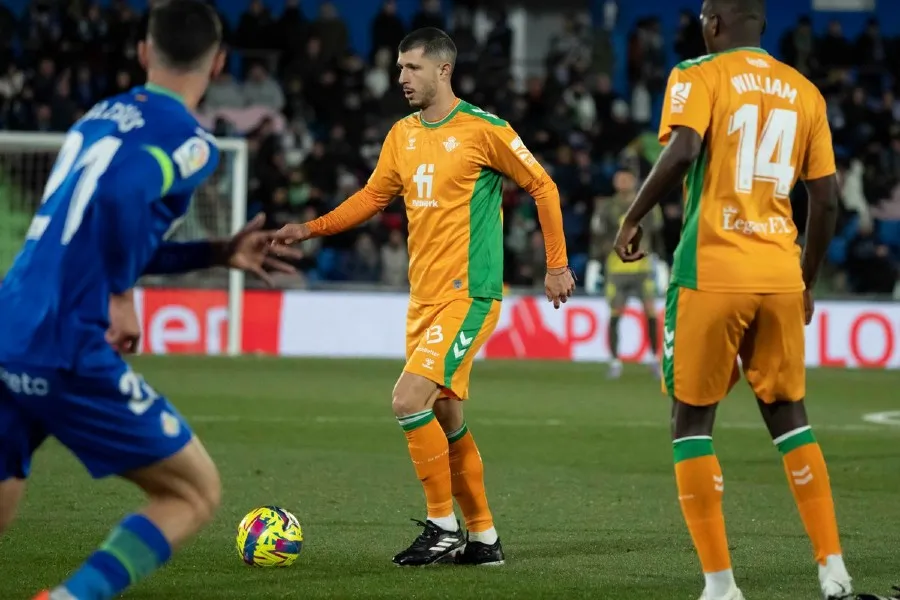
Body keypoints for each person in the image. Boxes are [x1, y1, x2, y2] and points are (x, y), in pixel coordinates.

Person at [0, 2, 297, 599]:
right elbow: (122, 199)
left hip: (12, 322)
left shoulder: (97, 118)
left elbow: (99, 230)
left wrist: (215, 251)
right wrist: (120, 295)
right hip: (67, 339)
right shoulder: (191, 142)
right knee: (193, 493)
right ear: (218, 64)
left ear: (144, 52)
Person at [273, 27, 575, 567]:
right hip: (424, 299)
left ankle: (441, 526)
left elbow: (543, 186)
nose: (401, 78)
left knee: (407, 400)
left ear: (443, 70)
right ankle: (483, 539)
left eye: (412, 67)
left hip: (470, 294)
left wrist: (556, 265)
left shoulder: (485, 130)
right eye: (399, 68)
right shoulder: (402, 134)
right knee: (447, 417)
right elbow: (373, 196)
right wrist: (311, 228)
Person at [612, 0, 852, 598]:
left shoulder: (698, 73)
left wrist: (633, 215)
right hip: (779, 275)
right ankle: (833, 569)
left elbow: (684, 150)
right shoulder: (806, 93)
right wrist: (807, 279)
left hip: (711, 271)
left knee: (691, 421)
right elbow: (826, 200)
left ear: (713, 23)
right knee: (789, 415)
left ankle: (721, 587)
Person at [591, 167, 663, 379]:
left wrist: (660, 259)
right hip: (616, 269)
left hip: (642, 267)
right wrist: (597, 260)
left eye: (626, 178)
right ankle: (614, 361)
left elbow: (657, 234)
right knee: (615, 312)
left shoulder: (649, 203)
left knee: (650, 310)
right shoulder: (606, 207)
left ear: (633, 180)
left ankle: (654, 358)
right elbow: (597, 236)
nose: (622, 182)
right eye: (619, 179)